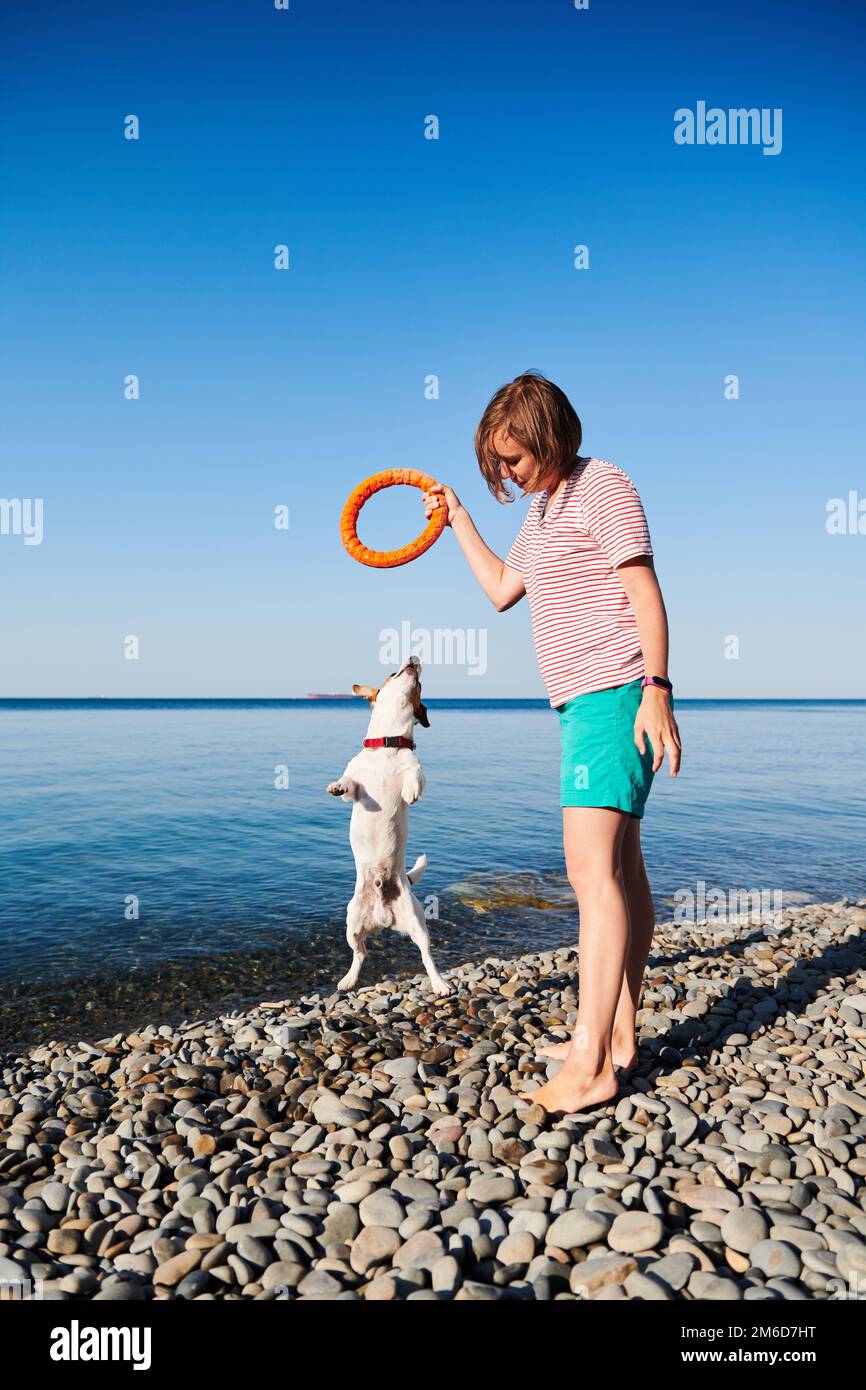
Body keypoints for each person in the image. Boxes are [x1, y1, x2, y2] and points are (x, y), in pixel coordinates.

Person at [421, 371, 682, 1117]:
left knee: (588, 874)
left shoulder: (602, 485)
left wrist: (657, 690)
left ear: (549, 436)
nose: (507, 471)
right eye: (497, 462)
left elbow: (643, 591)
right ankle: (616, 1041)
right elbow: (504, 589)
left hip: (614, 693)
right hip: (581, 705)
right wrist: (459, 520)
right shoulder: (541, 513)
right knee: (622, 873)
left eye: (514, 457)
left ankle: (590, 1064)